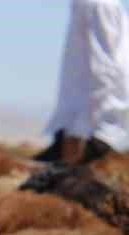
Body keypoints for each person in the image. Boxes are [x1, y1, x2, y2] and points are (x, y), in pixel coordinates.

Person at [39, 0, 129, 163]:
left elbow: (105, 68)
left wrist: (96, 132)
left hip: (102, 133)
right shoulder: (86, 5)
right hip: (89, 128)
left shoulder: (98, 5)